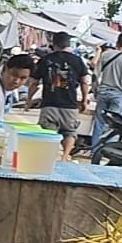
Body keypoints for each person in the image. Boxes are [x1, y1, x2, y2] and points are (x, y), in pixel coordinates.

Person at [26, 31, 90, 161]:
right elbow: (84, 81)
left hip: (49, 104)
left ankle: (48, 157)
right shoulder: (77, 60)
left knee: (47, 133)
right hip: (70, 105)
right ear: (68, 44)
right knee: (70, 132)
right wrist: (84, 100)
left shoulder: (45, 60)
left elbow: (34, 82)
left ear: (53, 44)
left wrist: (29, 99)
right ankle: (65, 157)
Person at [91, 33, 122, 149]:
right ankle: (108, 151)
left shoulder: (106, 54)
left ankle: (94, 150)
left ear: (117, 42)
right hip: (118, 95)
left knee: (99, 123)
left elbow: (95, 75)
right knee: (114, 125)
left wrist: (95, 91)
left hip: (103, 92)